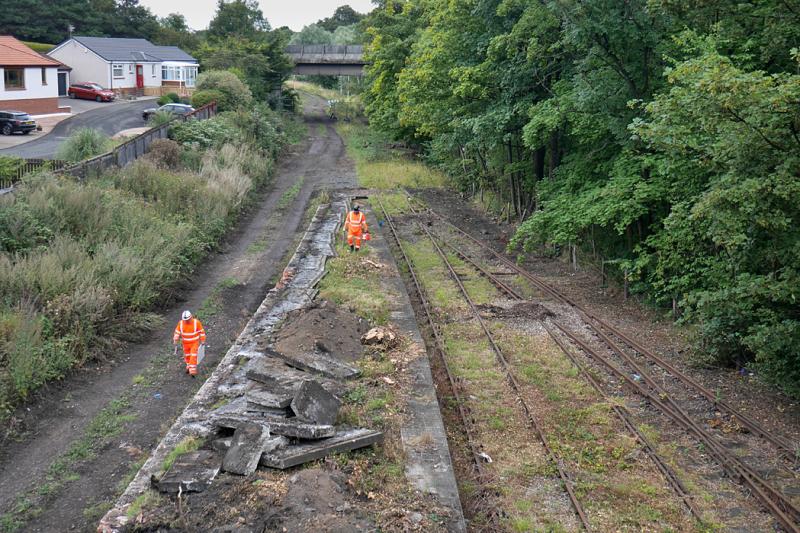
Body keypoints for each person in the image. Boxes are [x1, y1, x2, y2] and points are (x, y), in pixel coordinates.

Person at [173, 310, 206, 377]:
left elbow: (201, 332)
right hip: (185, 343)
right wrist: (175, 340)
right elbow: (177, 332)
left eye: (188, 319)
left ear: (191, 317)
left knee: (193, 355)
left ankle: (192, 370)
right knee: (187, 356)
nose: (187, 321)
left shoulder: (196, 323)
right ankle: (188, 366)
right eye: (185, 320)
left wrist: (203, 340)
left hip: (194, 343)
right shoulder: (181, 323)